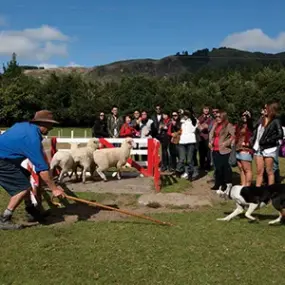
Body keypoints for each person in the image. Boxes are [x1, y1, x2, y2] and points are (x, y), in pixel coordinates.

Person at [0, 110, 65, 230]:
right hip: (2, 161)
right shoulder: (32, 139)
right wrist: (54, 189)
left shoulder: (22, 126)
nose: (51, 128)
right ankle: (5, 219)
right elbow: (42, 169)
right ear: (43, 124)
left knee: (25, 176)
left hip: (6, 159)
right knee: (22, 188)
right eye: (50, 125)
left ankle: (31, 211)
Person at [251, 102, 283, 186]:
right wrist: (249, 118)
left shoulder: (276, 121)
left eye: (266, 108)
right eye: (263, 108)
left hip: (269, 149)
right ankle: (257, 192)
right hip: (258, 148)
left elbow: (280, 134)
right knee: (259, 171)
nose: (264, 110)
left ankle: (270, 192)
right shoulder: (261, 119)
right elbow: (253, 128)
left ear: (271, 109)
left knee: (269, 171)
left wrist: (269, 140)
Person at [209, 111, 235, 191]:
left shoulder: (228, 125)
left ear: (223, 117)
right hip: (215, 149)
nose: (217, 118)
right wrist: (210, 142)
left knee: (224, 168)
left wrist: (226, 143)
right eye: (216, 117)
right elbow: (211, 134)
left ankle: (225, 184)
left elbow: (233, 136)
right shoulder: (215, 124)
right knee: (217, 168)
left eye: (219, 117)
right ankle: (217, 183)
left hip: (224, 150)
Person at [176, 109, 198, 180]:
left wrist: (189, 114)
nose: (185, 116)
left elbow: (193, 120)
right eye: (185, 114)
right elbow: (177, 124)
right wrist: (181, 113)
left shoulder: (194, 121)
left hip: (191, 142)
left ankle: (190, 174)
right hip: (182, 142)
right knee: (181, 159)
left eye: (187, 114)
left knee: (189, 160)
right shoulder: (181, 121)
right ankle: (178, 171)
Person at [235, 111, 254, 186]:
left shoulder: (251, 126)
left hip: (246, 149)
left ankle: (248, 187)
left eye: (246, 115)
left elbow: (252, 132)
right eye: (242, 115)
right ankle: (243, 186)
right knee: (241, 169)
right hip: (238, 149)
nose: (244, 116)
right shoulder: (240, 125)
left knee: (247, 169)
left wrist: (249, 117)